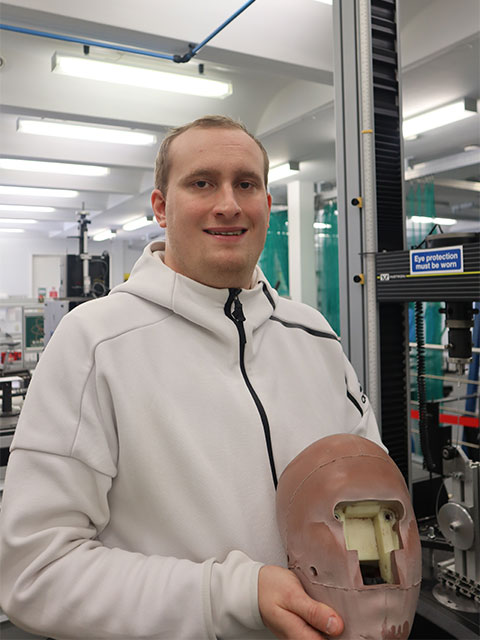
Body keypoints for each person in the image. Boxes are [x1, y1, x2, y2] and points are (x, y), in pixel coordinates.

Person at [0, 115, 383, 640]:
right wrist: (233, 596)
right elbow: (34, 573)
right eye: (202, 183)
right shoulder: (94, 343)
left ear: (267, 205)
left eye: (246, 184)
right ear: (162, 207)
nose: (228, 203)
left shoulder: (314, 337)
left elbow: (373, 498)